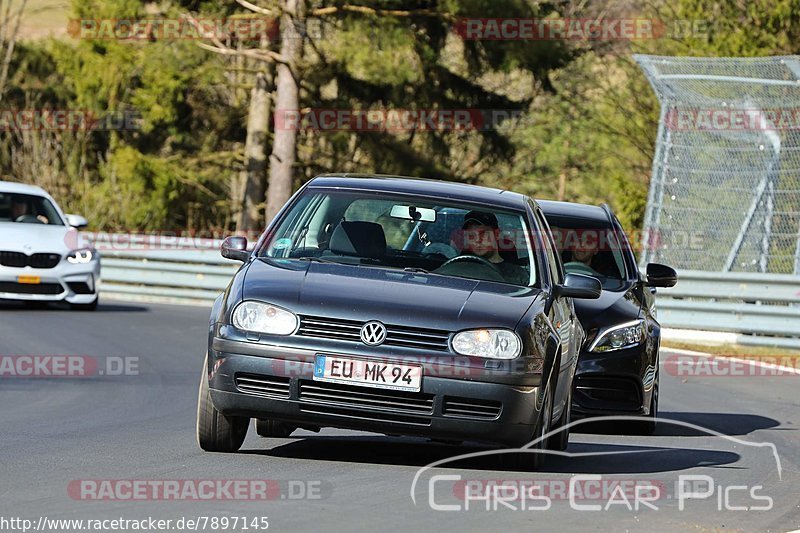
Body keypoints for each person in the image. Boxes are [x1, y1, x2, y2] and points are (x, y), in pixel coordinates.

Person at [458, 210, 529, 285]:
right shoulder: (456, 269)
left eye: (483, 234)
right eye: (471, 235)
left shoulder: (517, 275)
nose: (477, 240)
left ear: (497, 234)